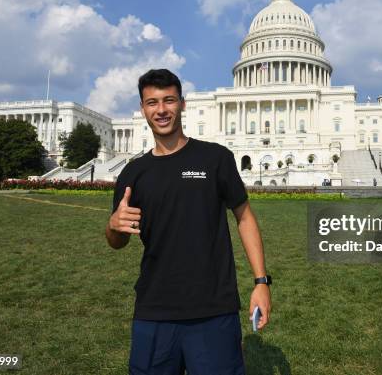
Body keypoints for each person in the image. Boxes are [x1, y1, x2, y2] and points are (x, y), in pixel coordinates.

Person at [105, 68, 271, 374]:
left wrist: (261, 282)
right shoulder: (133, 173)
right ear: (143, 109)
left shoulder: (215, 158)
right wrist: (113, 226)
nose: (161, 110)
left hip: (213, 309)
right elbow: (118, 240)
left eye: (169, 100)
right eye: (152, 103)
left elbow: (244, 218)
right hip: (154, 309)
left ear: (182, 104)